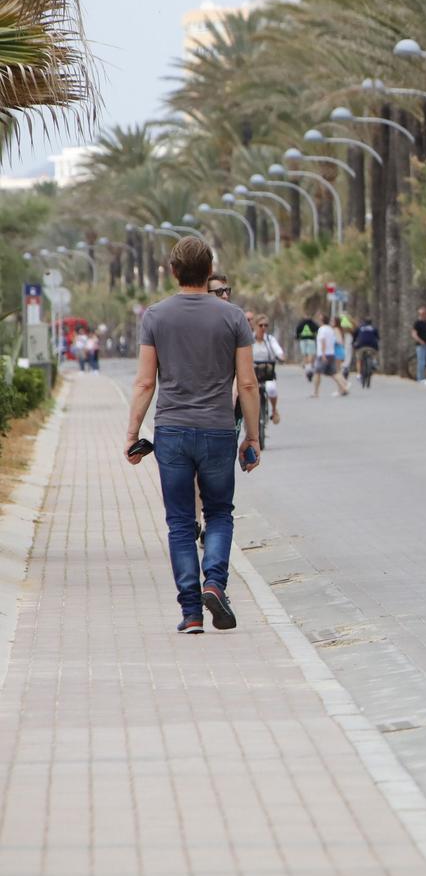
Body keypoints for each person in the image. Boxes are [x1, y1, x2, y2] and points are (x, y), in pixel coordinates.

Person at [125, 235, 260, 634]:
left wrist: (133, 432)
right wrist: (251, 437)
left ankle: (191, 613)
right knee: (219, 513)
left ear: (174, 271)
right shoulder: (233, 316)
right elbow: (248, 384)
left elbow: (145, 383)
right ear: (208, 270)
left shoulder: (156, 316)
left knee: (181, 522)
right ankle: (214, 583)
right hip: (218, 430)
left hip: (171, 432)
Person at [251, 312, 287, 427]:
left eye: (266, 325)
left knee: (272, 389)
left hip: (267, 373)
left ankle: (274, 410)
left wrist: (281, 356)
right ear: (255, 326)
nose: (263, 328)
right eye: (260, 325)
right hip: (253, 373)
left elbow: (278, 351)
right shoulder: (249, 339)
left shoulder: (270, 340)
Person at [312, 314, 350, 397]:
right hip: (331, 354)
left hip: (323, 354)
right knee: (334, 373)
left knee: (317, 372)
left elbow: (323, 341)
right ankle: (344, 388)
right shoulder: (330, 329)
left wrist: (323, 353)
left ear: (322, 321)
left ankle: (316, 392)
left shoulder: (322, 329)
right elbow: (333, 341)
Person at [353, 315, 381, 389]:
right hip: (372, 345)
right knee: (375, 351)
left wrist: (354, 343)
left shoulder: (360, 328)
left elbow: (355, 336)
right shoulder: (374, 328)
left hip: (361, 345)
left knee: (358, 358)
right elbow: (378, 338)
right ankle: (374, 361)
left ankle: (359, 374)